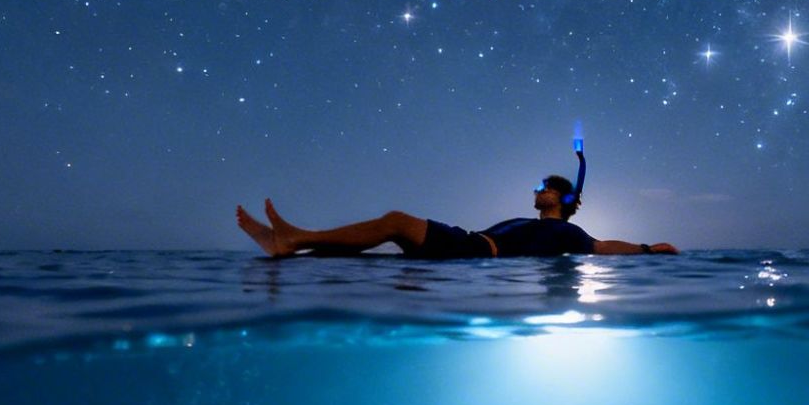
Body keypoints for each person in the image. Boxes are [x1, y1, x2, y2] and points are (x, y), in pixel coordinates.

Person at [236, 175, 678, 258]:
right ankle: (290, 245)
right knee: (367, 254)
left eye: (543, 188)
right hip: (467, 247)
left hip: (472, 253)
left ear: (561, 198)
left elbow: (604, 248)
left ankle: (294, 237)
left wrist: (646, 248)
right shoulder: (534, 223)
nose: (536, 191)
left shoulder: (569, 232)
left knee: (396, 222)